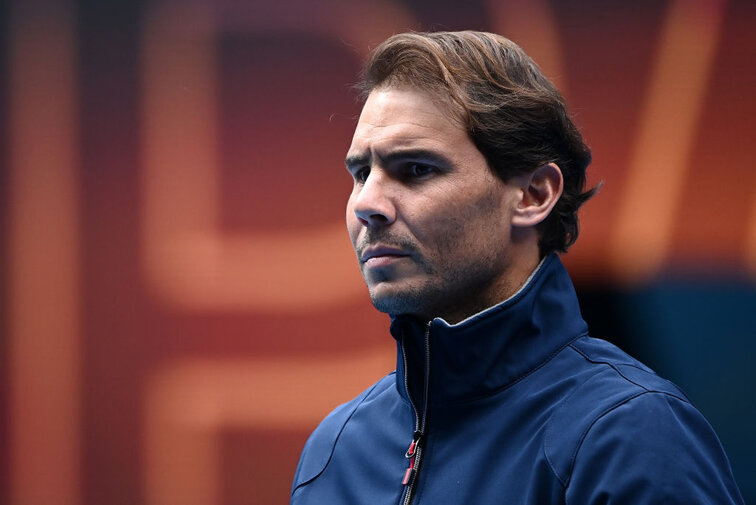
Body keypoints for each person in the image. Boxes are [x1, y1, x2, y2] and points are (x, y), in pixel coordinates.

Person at [290, 31, 744, 504]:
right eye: (361, 173)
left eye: (416, 169)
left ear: (533, 195)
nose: (367, 203)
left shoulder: (631, 436)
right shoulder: (335, 451)